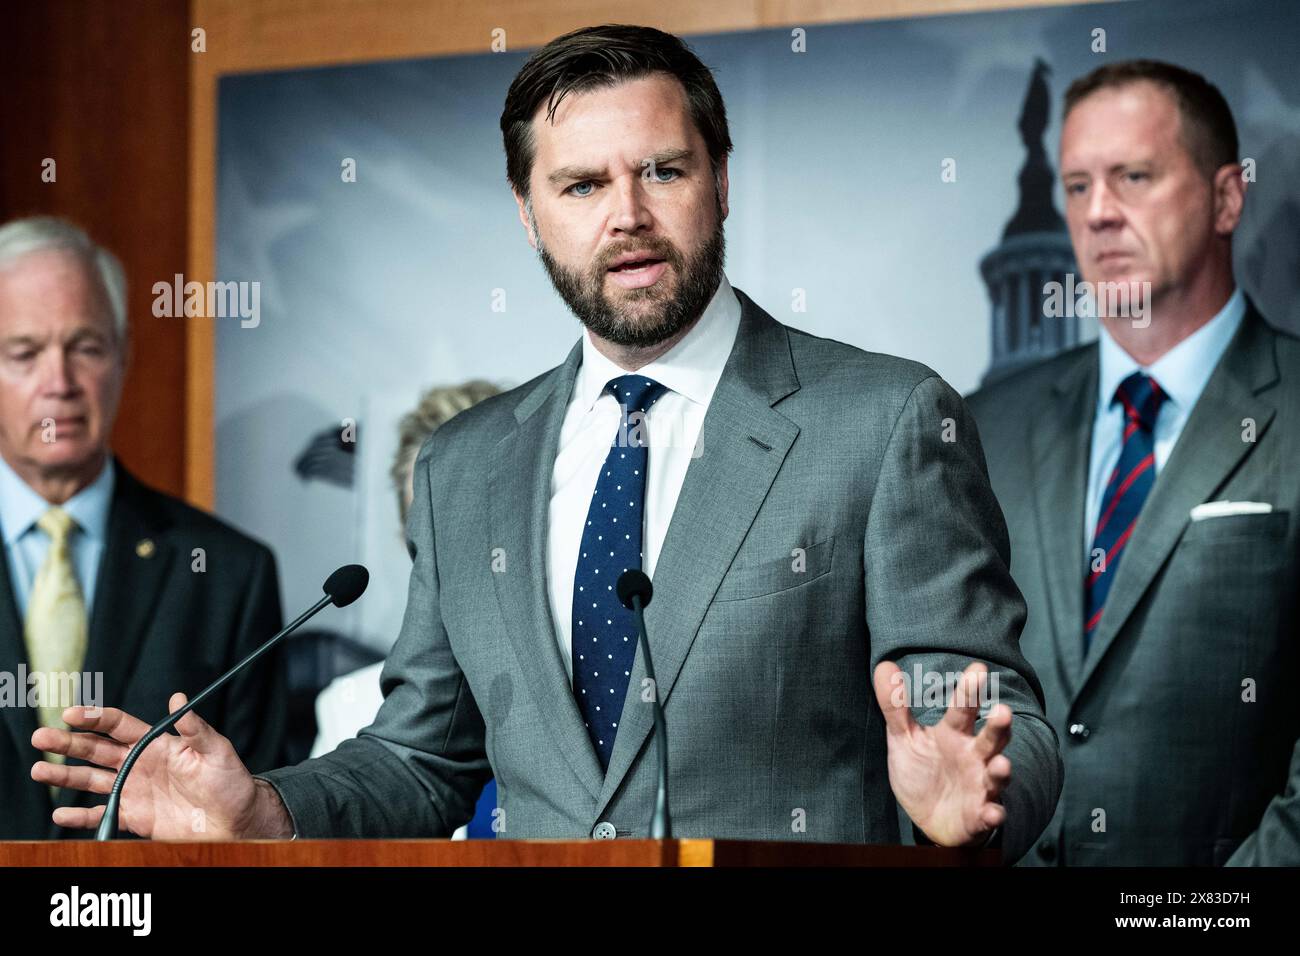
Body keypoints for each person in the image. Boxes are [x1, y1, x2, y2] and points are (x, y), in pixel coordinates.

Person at [35, 24, 1061, 860]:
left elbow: (991, 720)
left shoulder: (882, 420)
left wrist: (973, 800)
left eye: (663, 169)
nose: (628, 216)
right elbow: (419, 758)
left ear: (722, 180)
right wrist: (264, 810)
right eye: (580, 186)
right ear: (527, 214)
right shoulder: (465, 464)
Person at [966, 60, 1300, 865]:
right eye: (1077, 186)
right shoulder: (984, 425)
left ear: (1227, 197)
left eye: (1134, 177)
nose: (1099, 213)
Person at [0, 216, 286, 839]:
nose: (61, 384)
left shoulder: (228, 574)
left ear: (124, 356)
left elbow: (259, 820)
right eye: (25, 353)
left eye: (87, 347)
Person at [311, 380, 501, 841]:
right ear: (406, 538)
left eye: (483, 519)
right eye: (435, 527)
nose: (460, 549)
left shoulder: (601, 688)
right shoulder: (352, 707)